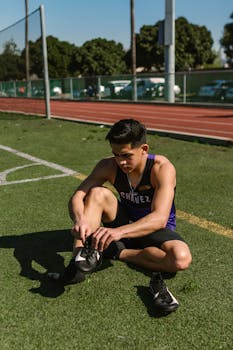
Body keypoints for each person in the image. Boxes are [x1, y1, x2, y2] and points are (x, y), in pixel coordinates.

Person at [65, 119, 192, 314]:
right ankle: (80, 258)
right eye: (116, 155)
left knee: (180, 259)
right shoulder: (108, 165)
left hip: (153, 229)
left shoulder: (161, 168)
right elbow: (78, 196)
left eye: (126, 155)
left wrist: (117, 233)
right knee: (97, 193)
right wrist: (79, 219)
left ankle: (117, 253)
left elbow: (159, 218)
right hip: (123, 222)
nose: (121, 162)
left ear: (144, 149)